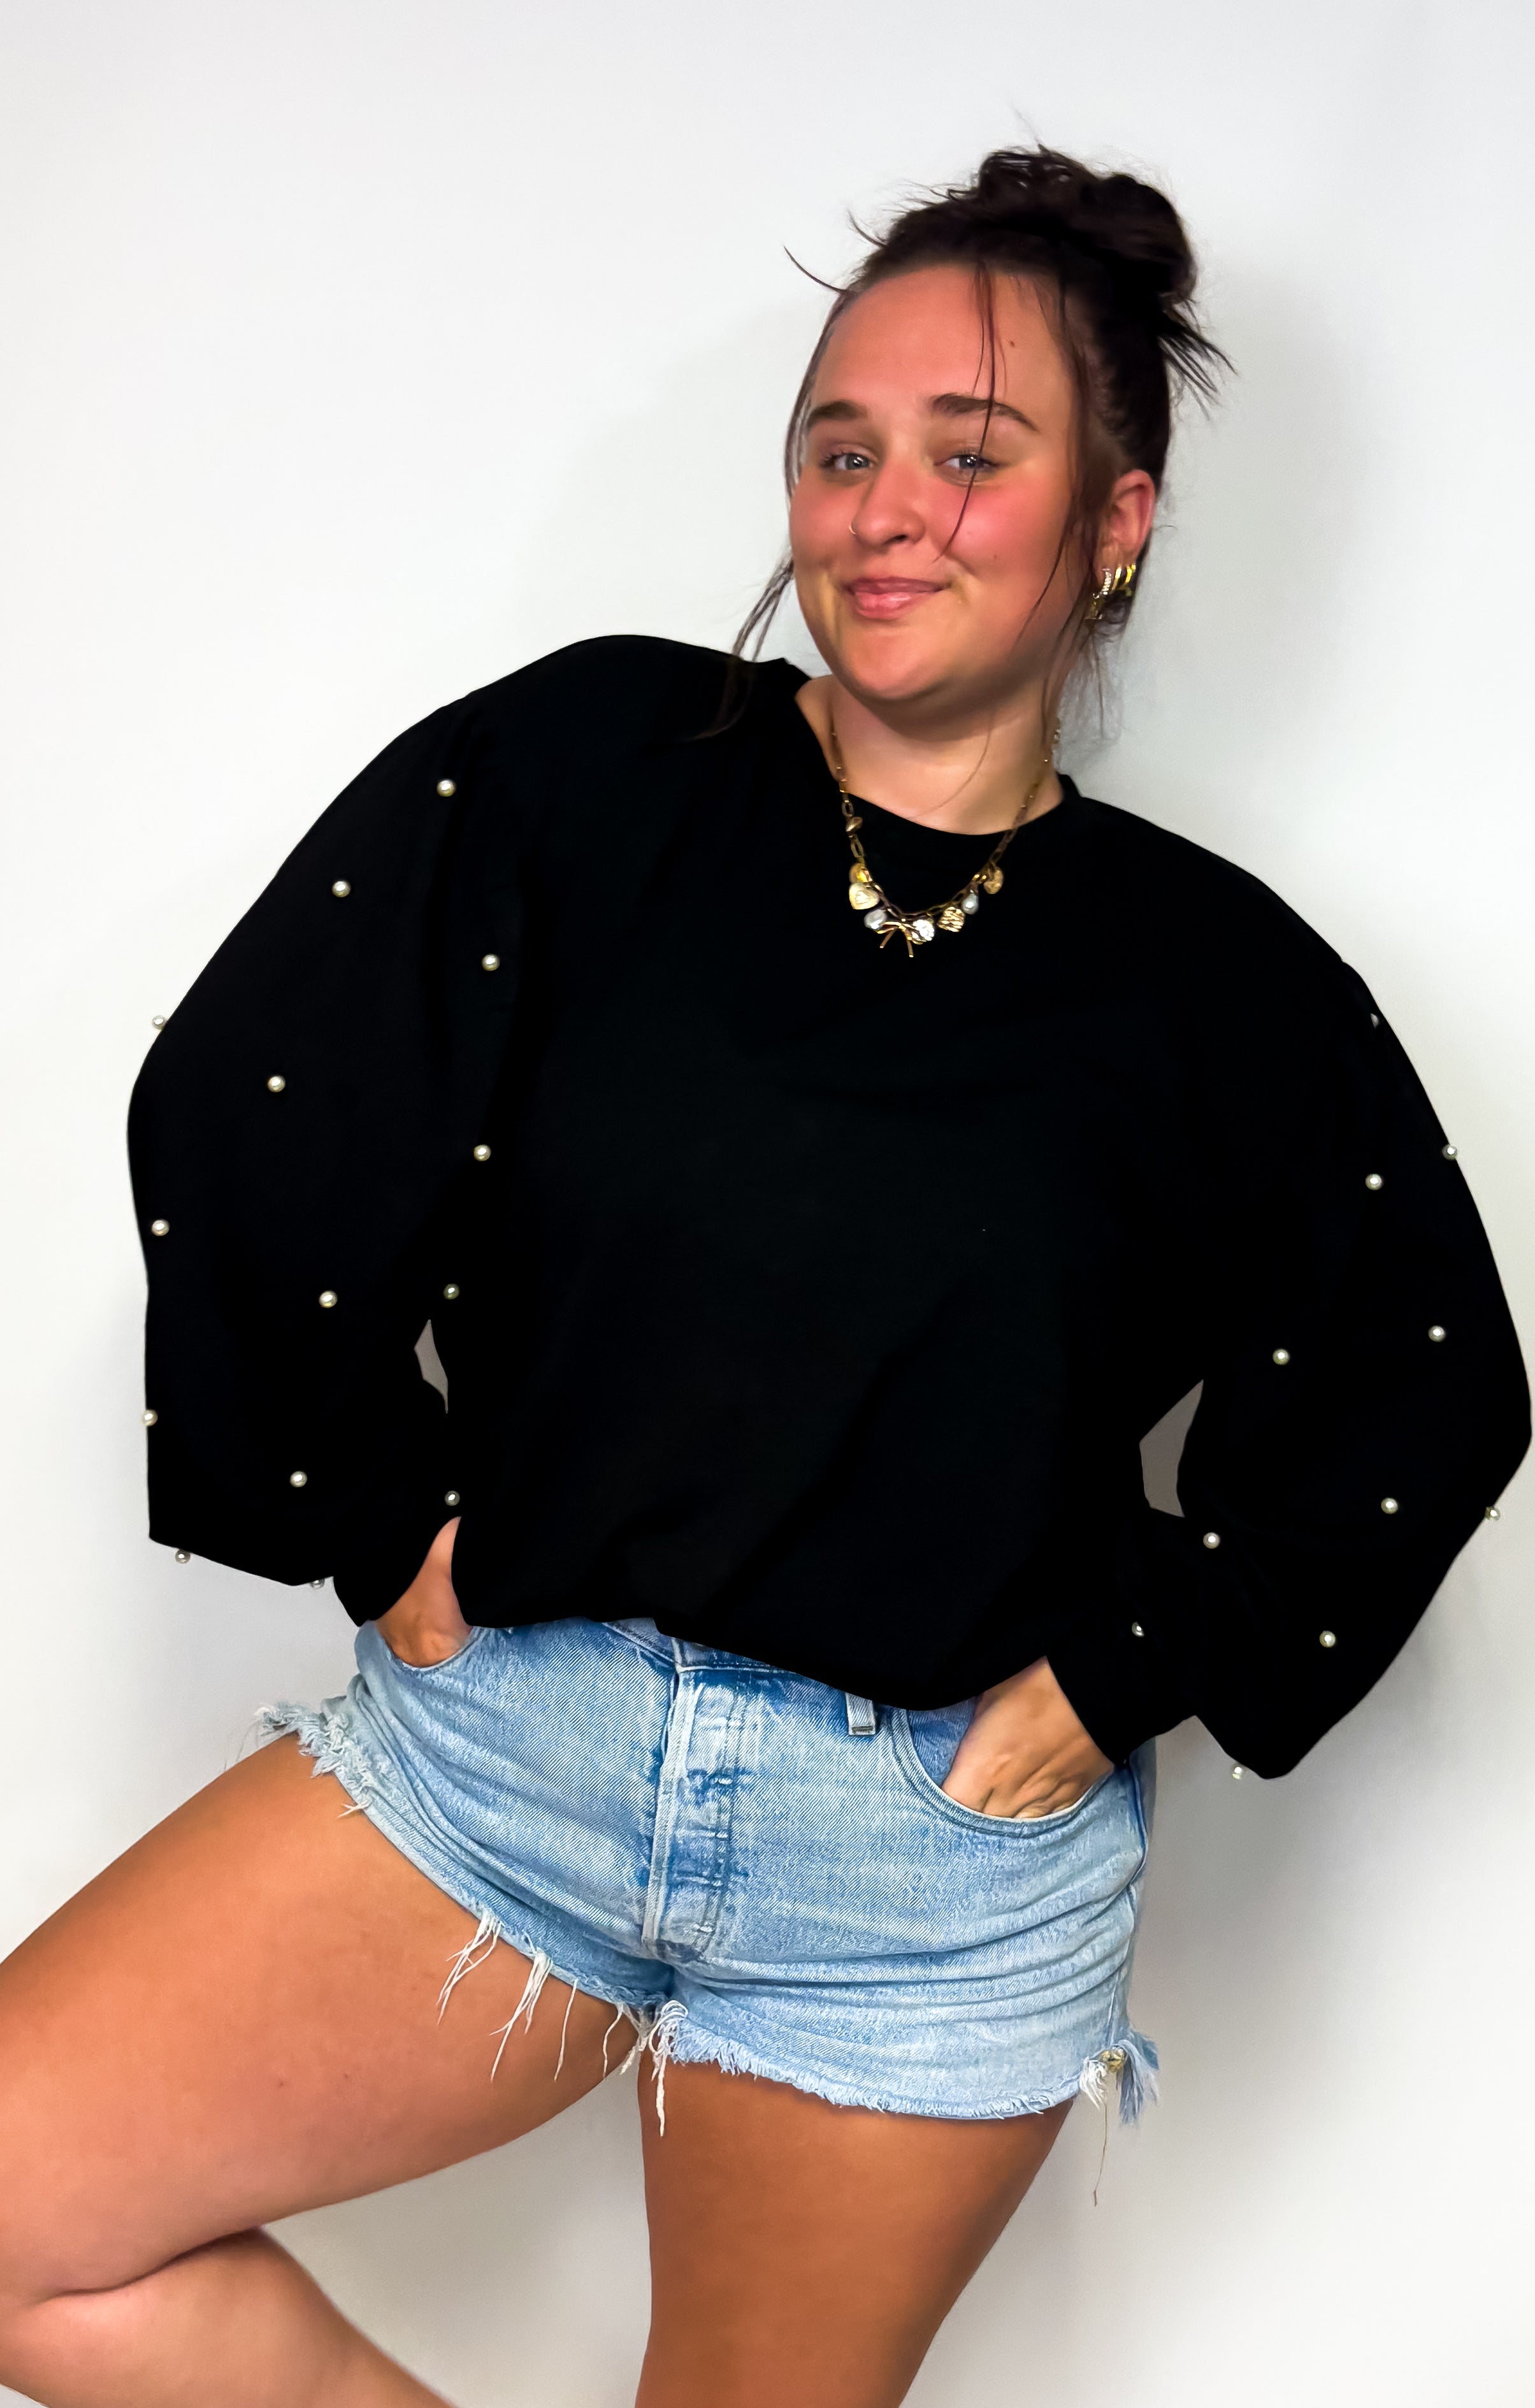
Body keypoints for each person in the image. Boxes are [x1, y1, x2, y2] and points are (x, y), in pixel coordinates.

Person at [0, 144, 1525, 2408]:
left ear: (1114, 522)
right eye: (839, 447)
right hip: (502, 1753)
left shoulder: (1223, 987)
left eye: (968, 453)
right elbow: (263, 1096)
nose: (885, 510)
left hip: (920, 1874)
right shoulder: (588, 771)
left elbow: (1425, 1379)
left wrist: (1125, 1667)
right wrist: (371, 1510)